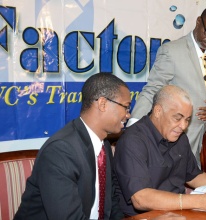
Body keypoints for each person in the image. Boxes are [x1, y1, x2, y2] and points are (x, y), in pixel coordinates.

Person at [14, 73, 130, 220]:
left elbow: (111, 203)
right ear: (103, 104)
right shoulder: (60, 151)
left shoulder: (104, 145)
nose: (128, 115)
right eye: (126, 107)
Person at [128, 6, 206, 166]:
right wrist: (133, 128)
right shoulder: (171, 51)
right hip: (178, 138)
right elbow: (152, 90)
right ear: (198, 22)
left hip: (205, 139)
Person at [114, 85, 206, 216]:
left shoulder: (180, 137)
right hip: (145, 216)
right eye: (177, 118)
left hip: (178, 211)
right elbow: (141, 198)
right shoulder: (133, 140)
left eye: (187, 120)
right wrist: (201, 201)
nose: (183, 126)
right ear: (158, 111)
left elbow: (194, 176)